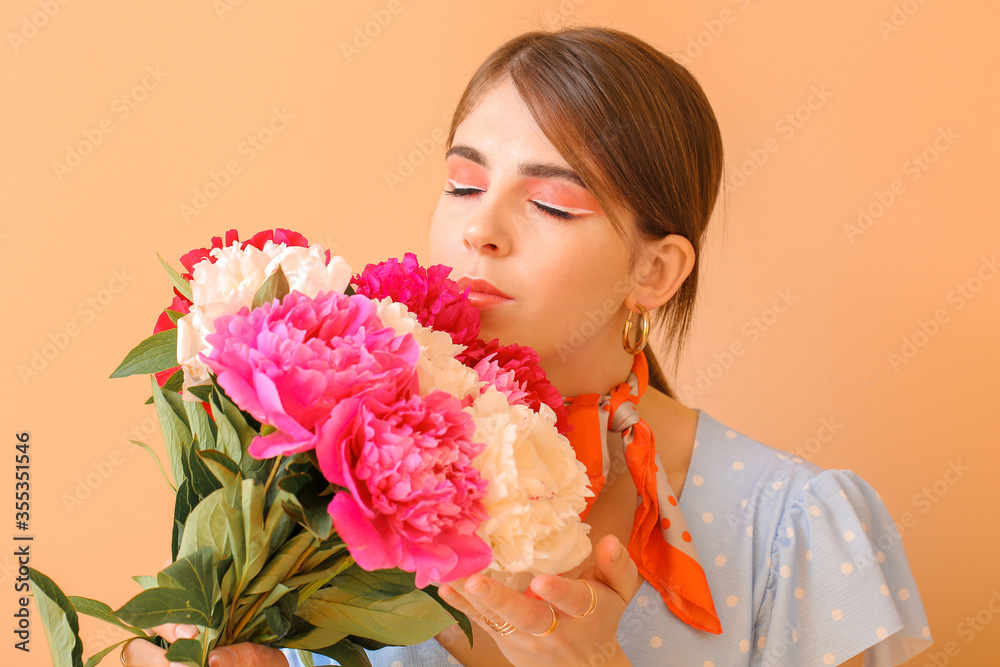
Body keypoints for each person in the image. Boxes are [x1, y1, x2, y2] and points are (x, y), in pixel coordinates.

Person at [122, 26, 932, 667]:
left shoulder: (790, 528)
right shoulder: (318, 466)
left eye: (550, 203)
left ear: (655, 269)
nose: (480, 227)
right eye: (465, 185)